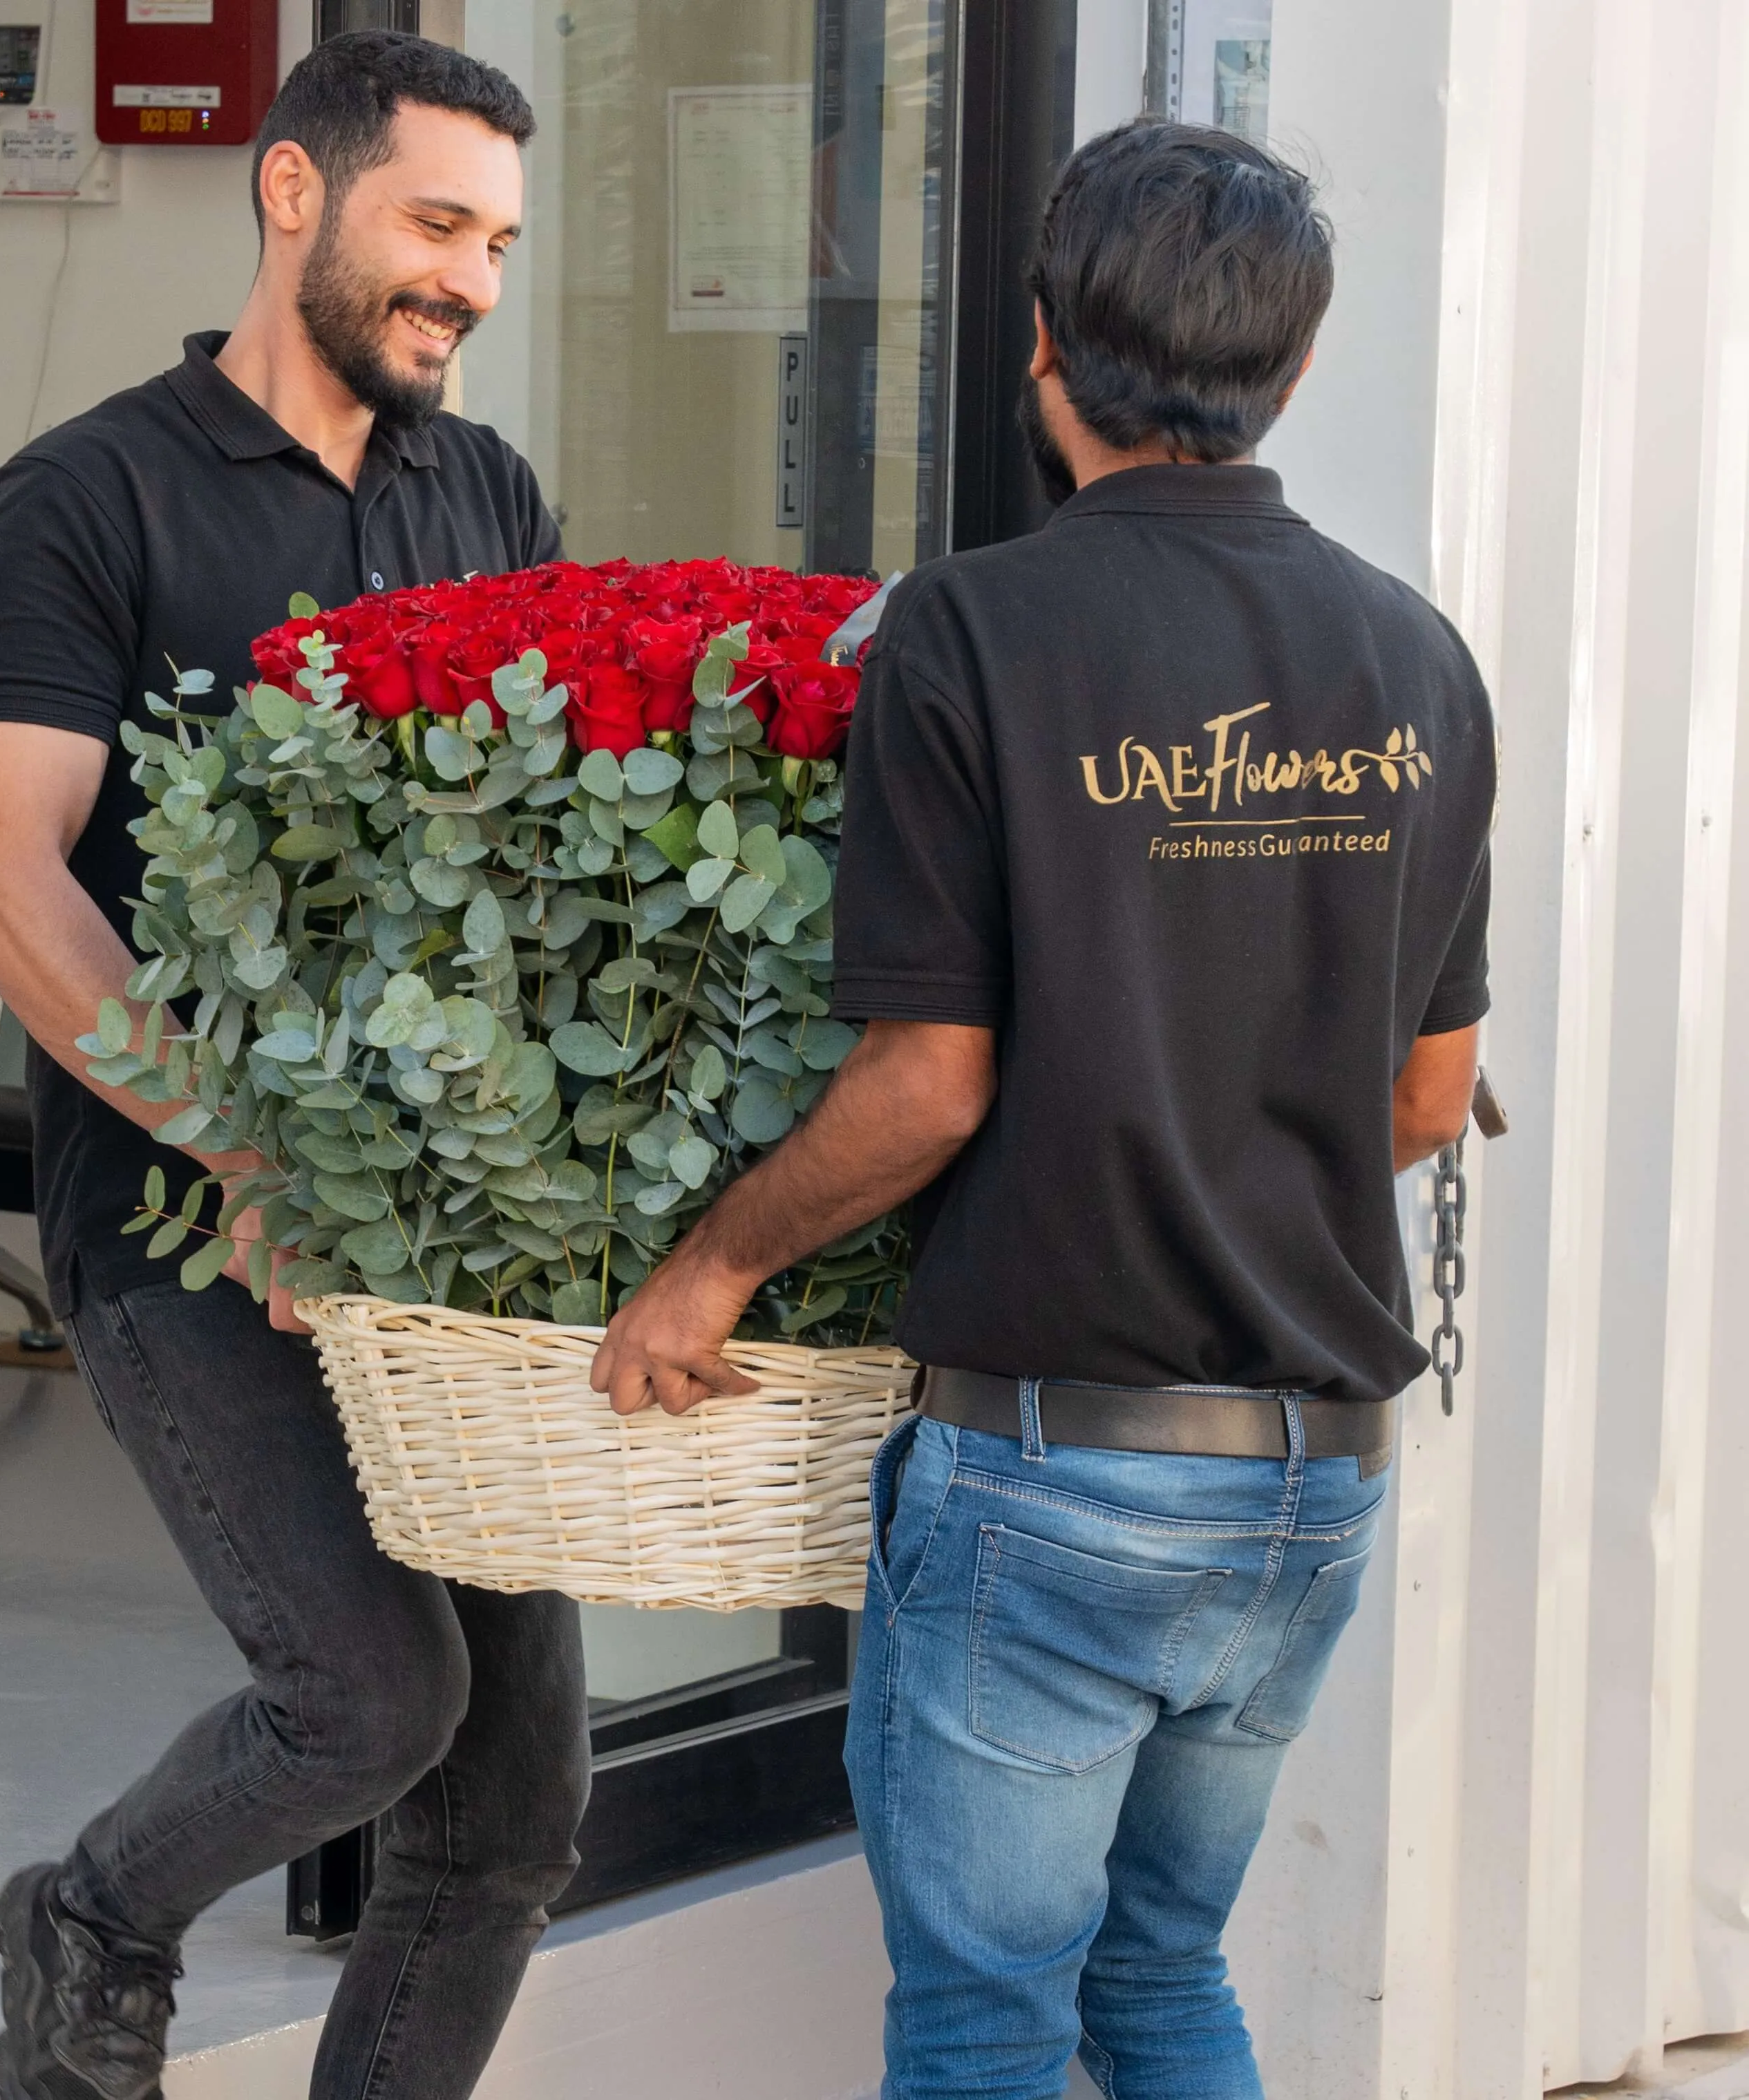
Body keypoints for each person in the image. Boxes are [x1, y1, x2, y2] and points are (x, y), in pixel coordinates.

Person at [592, 120, 1494, 2099]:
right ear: (1297, 363)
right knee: (1162, 1976)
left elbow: (926, 1082)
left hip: (1053, 1476)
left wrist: (708, 1263)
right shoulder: (1416, 657)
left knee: (991, 2017)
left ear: (1036, 345)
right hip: (1310, 1480)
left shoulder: (973, 633)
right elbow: (1427, 1095)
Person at [0, 32, 588, 2100]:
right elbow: (1, 872)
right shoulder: (80, 497)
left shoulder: (483, 492)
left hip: (448, 1257)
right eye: (432, 224)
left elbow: (548, 850)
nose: (471, 277)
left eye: (494, 240)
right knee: (371, 1699)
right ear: (290, 192)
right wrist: (246, 1151)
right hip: (180, 1226)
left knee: (506, 1813)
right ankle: (95, 1912)